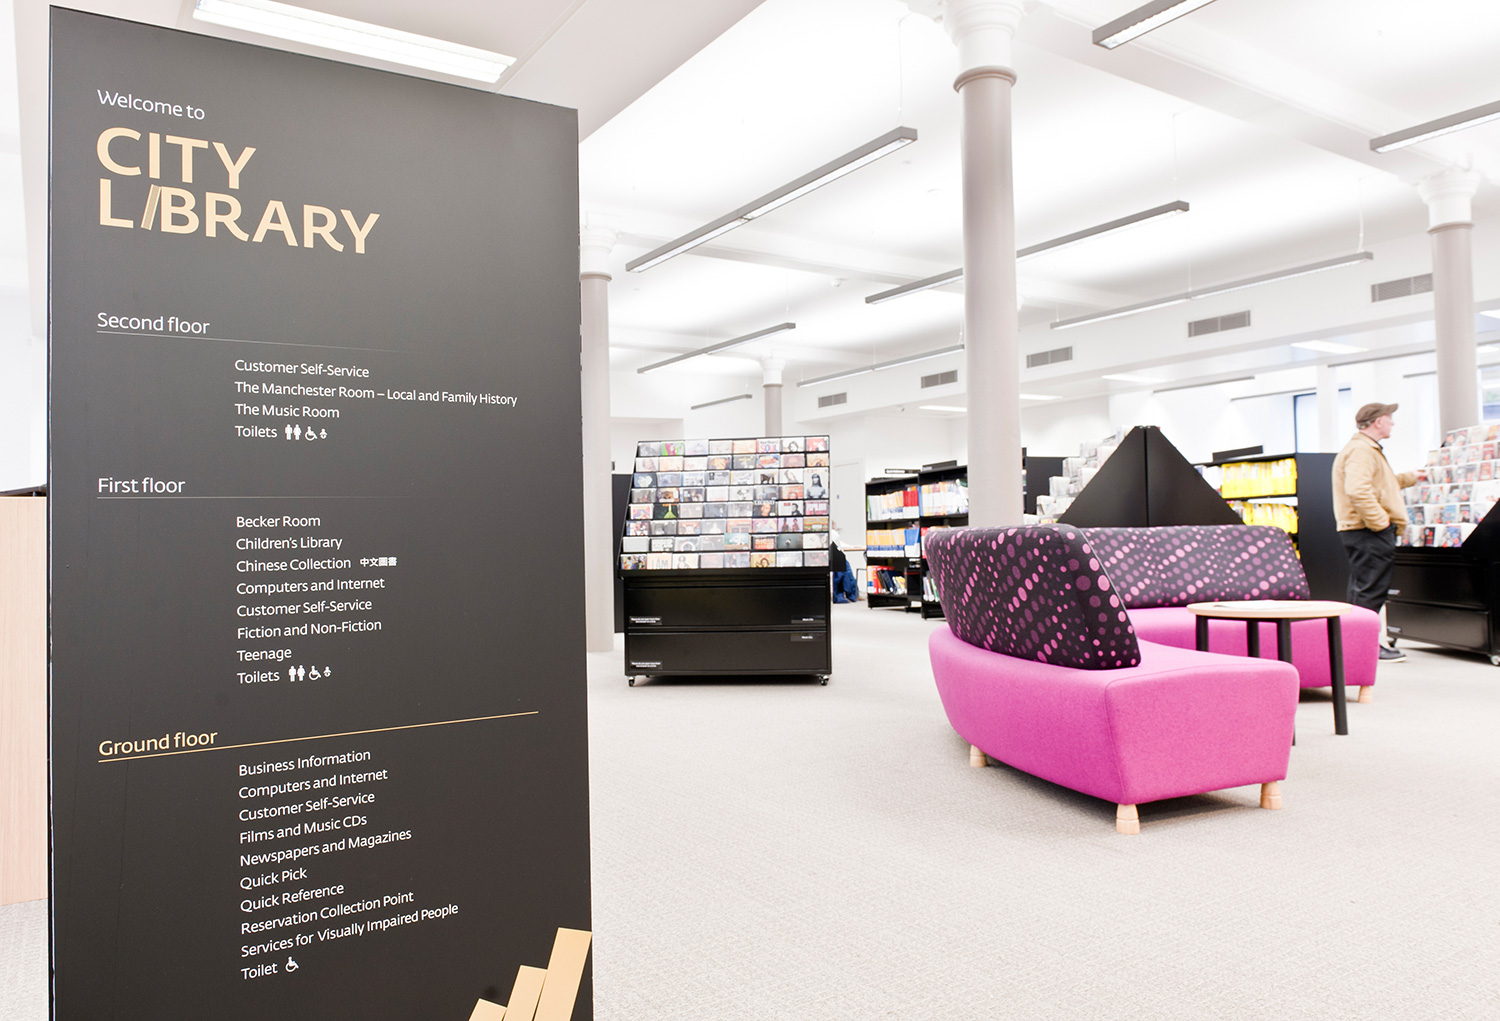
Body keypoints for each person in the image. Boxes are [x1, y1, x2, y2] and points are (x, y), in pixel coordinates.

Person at [1332, 402, 1425, 663]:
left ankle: (1355, 645)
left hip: (1362, 530)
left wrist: (1411, 477)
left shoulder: (1364, 448)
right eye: (1389, 418)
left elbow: (1380, 484)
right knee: (1371, 591)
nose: (1392, 423)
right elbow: (1358, 490)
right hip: (1368, 531)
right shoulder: (1362, 450)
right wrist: (1381, 523)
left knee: (1362, 590)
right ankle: (1365, 647)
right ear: (1378, 421)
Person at [829, 529, 857, 603]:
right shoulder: (833, 533)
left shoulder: (832, 533)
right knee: (845, 570)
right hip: (836, 559)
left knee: (842, 571)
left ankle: (839, 595)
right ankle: (850, 595)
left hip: (832, 558)